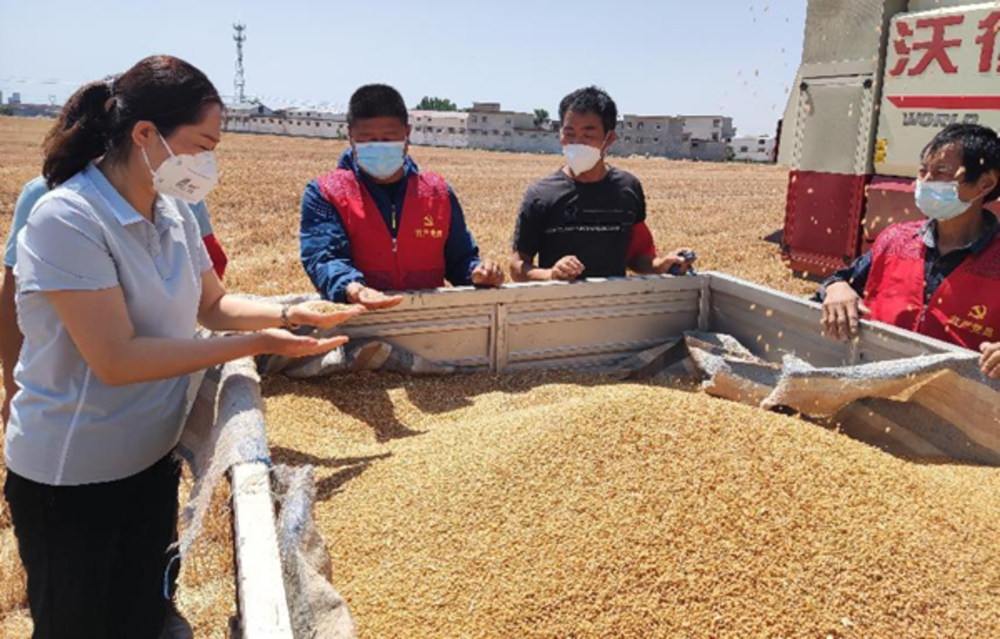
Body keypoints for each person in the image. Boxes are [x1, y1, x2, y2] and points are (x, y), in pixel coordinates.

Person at [2, 55, 363, 639]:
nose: (208, 162)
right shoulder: (66, 219)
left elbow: (212, 305)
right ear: (145, 134)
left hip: (149, 458)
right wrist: (252, 343)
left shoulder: (173, 213)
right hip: (72, 479)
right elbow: (116, 359)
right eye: (200, 144)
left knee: (143, 618)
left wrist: (291, 311)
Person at [2, 178, 228, 427]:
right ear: (141, 137)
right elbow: (15, 294)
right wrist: (13, 389)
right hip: (79, 414)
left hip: (162, 404)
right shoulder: (53, 199)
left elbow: (210, 278)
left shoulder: (182, 195)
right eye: (199, 145)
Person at [819, 123, 1000, 379]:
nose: (924, 183)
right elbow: (841, 281)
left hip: (957, 407)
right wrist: (836, 288)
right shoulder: (895, 241)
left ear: (985, 184)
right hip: (872, 389)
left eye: (941, 172)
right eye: (923, 172)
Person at [300, 83, 504, 309]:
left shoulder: (438, 194)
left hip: (426, 322)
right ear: (351, 137)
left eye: (388, 139)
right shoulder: (327, 193)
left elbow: (460, 259)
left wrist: (479, 272)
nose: (378, 147)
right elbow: (324, 258)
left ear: (407, 134)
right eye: (367, 139)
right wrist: (352, 287)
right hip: (358, 320)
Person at [510, 86, 693, 283]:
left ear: (609, 138)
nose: (576, 143)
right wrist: (551, 275)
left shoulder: (627, 188)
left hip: (612, 307)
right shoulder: (541, 194)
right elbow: (517, 266)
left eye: (587, 136)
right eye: (569, 133)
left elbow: (637, 256)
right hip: (559, 309)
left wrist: (660, 265)